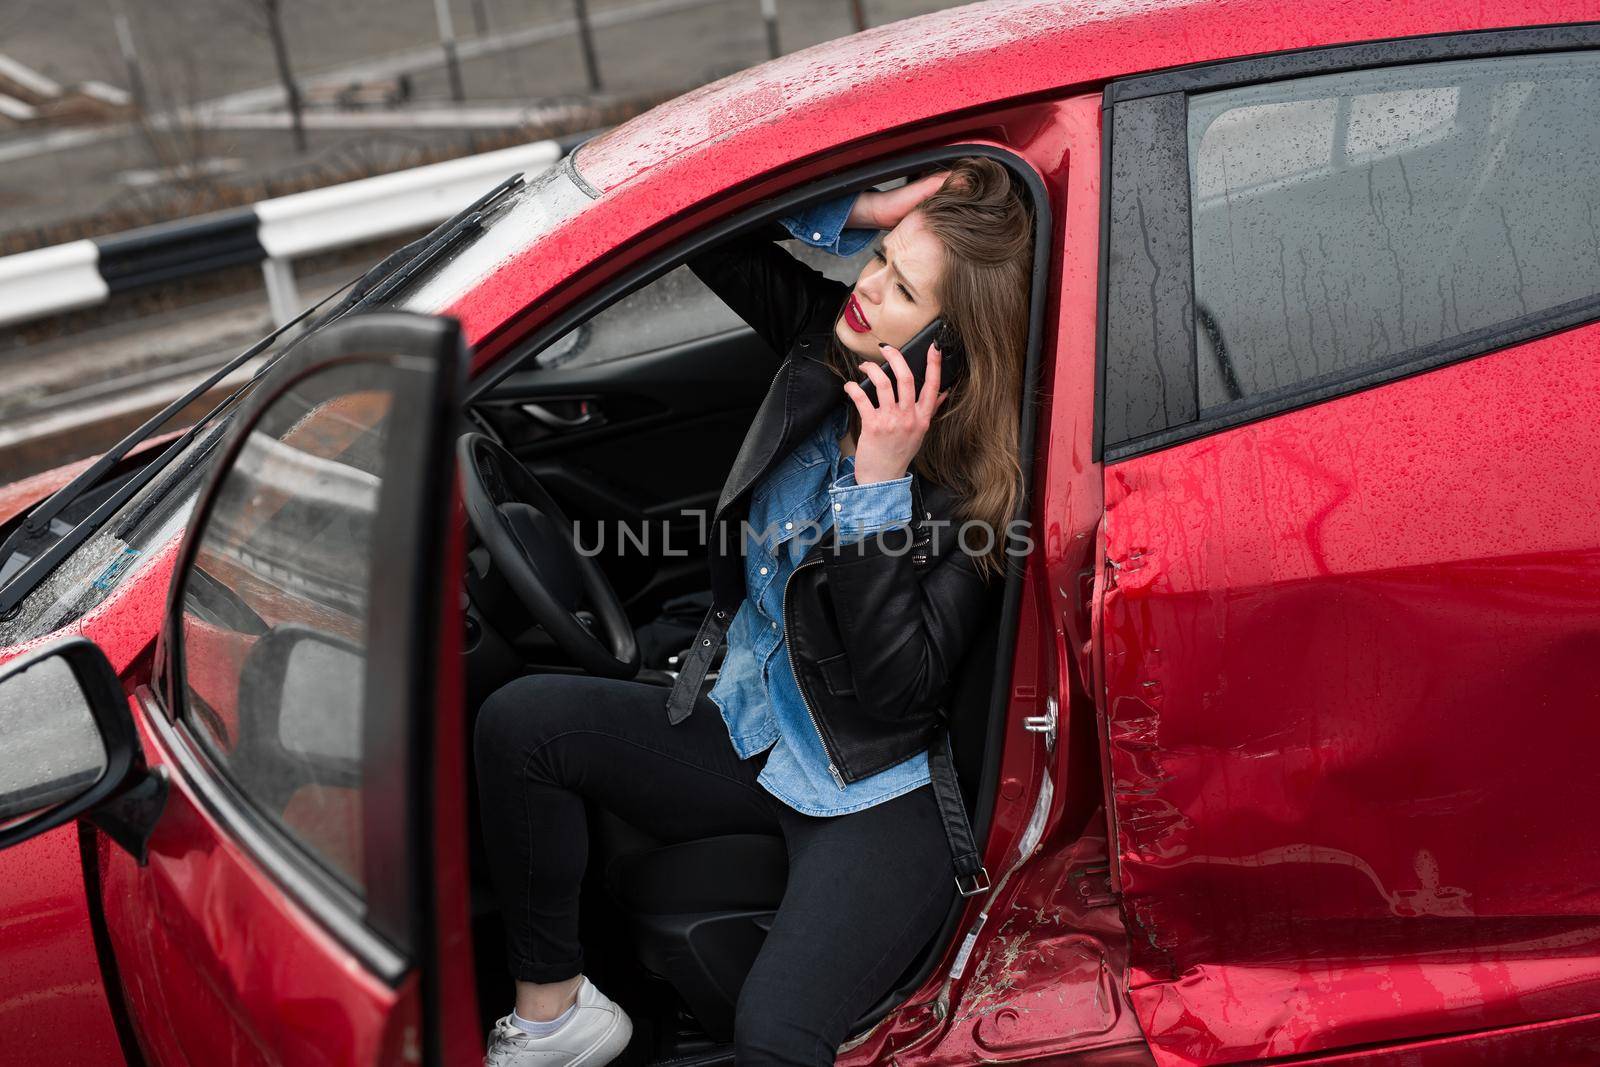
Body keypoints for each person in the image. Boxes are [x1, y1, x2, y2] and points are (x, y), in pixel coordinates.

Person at [476, 155, 1035, 1066]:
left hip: (871, 793)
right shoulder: (826, 345)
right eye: (880, 258)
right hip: (748, 728)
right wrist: (861, 207)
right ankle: (553, 1016)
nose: (868, 286)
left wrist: (878, 489)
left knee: (773, 1038)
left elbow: (899, 694)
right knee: (520, 723)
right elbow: (703, 223)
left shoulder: (971, 496)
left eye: (902, 289)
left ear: (953, 343)